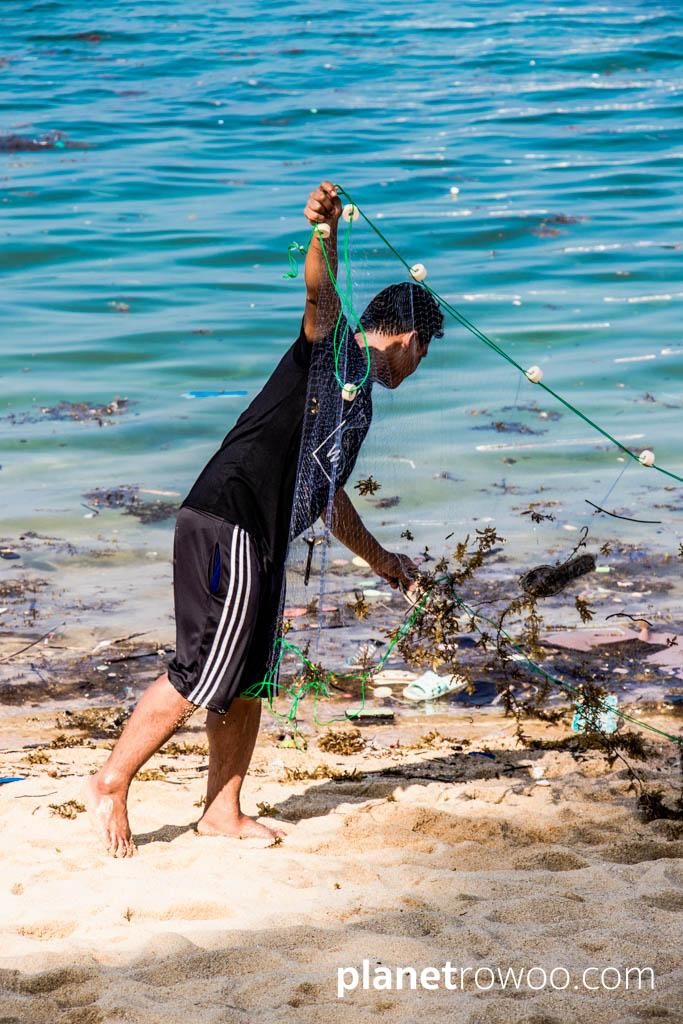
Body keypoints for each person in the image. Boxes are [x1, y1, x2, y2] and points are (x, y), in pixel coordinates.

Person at [85, 181, 445, 857]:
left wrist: (386, 564)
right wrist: (324, 234)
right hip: (232, 518)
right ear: (408, 338)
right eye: (422, 354)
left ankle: (221, 812)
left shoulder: (358, 399)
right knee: (203, 669)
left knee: (251, 675)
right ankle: (112, 779)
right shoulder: (334, 350)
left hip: (263, 540)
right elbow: (319, 296)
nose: (417, 367)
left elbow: (328, 497)